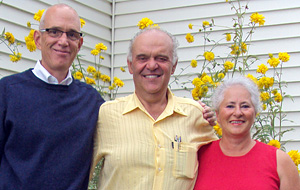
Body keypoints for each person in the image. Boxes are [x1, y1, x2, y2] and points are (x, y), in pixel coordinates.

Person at [90, 27, 218, 190]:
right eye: (142, 58)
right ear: (130, 65)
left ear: (173, 66)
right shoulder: (106, 115)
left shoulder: (195, 115)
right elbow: (76, 173)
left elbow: (222, 167)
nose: (151, 65)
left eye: (161, 58)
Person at [0, 4, 105, 190]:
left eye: (72, 34)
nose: (63, 41)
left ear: (79, 44)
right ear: (38, 39)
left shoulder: (92, 102)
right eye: (54, 32)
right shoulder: (7, 92)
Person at [194, 76, 300, 190]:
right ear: (218, 115)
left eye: (245, 106)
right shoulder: (198, 156)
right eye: (230, 106)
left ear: (255, 113)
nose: (238, 112)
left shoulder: (279, 161)